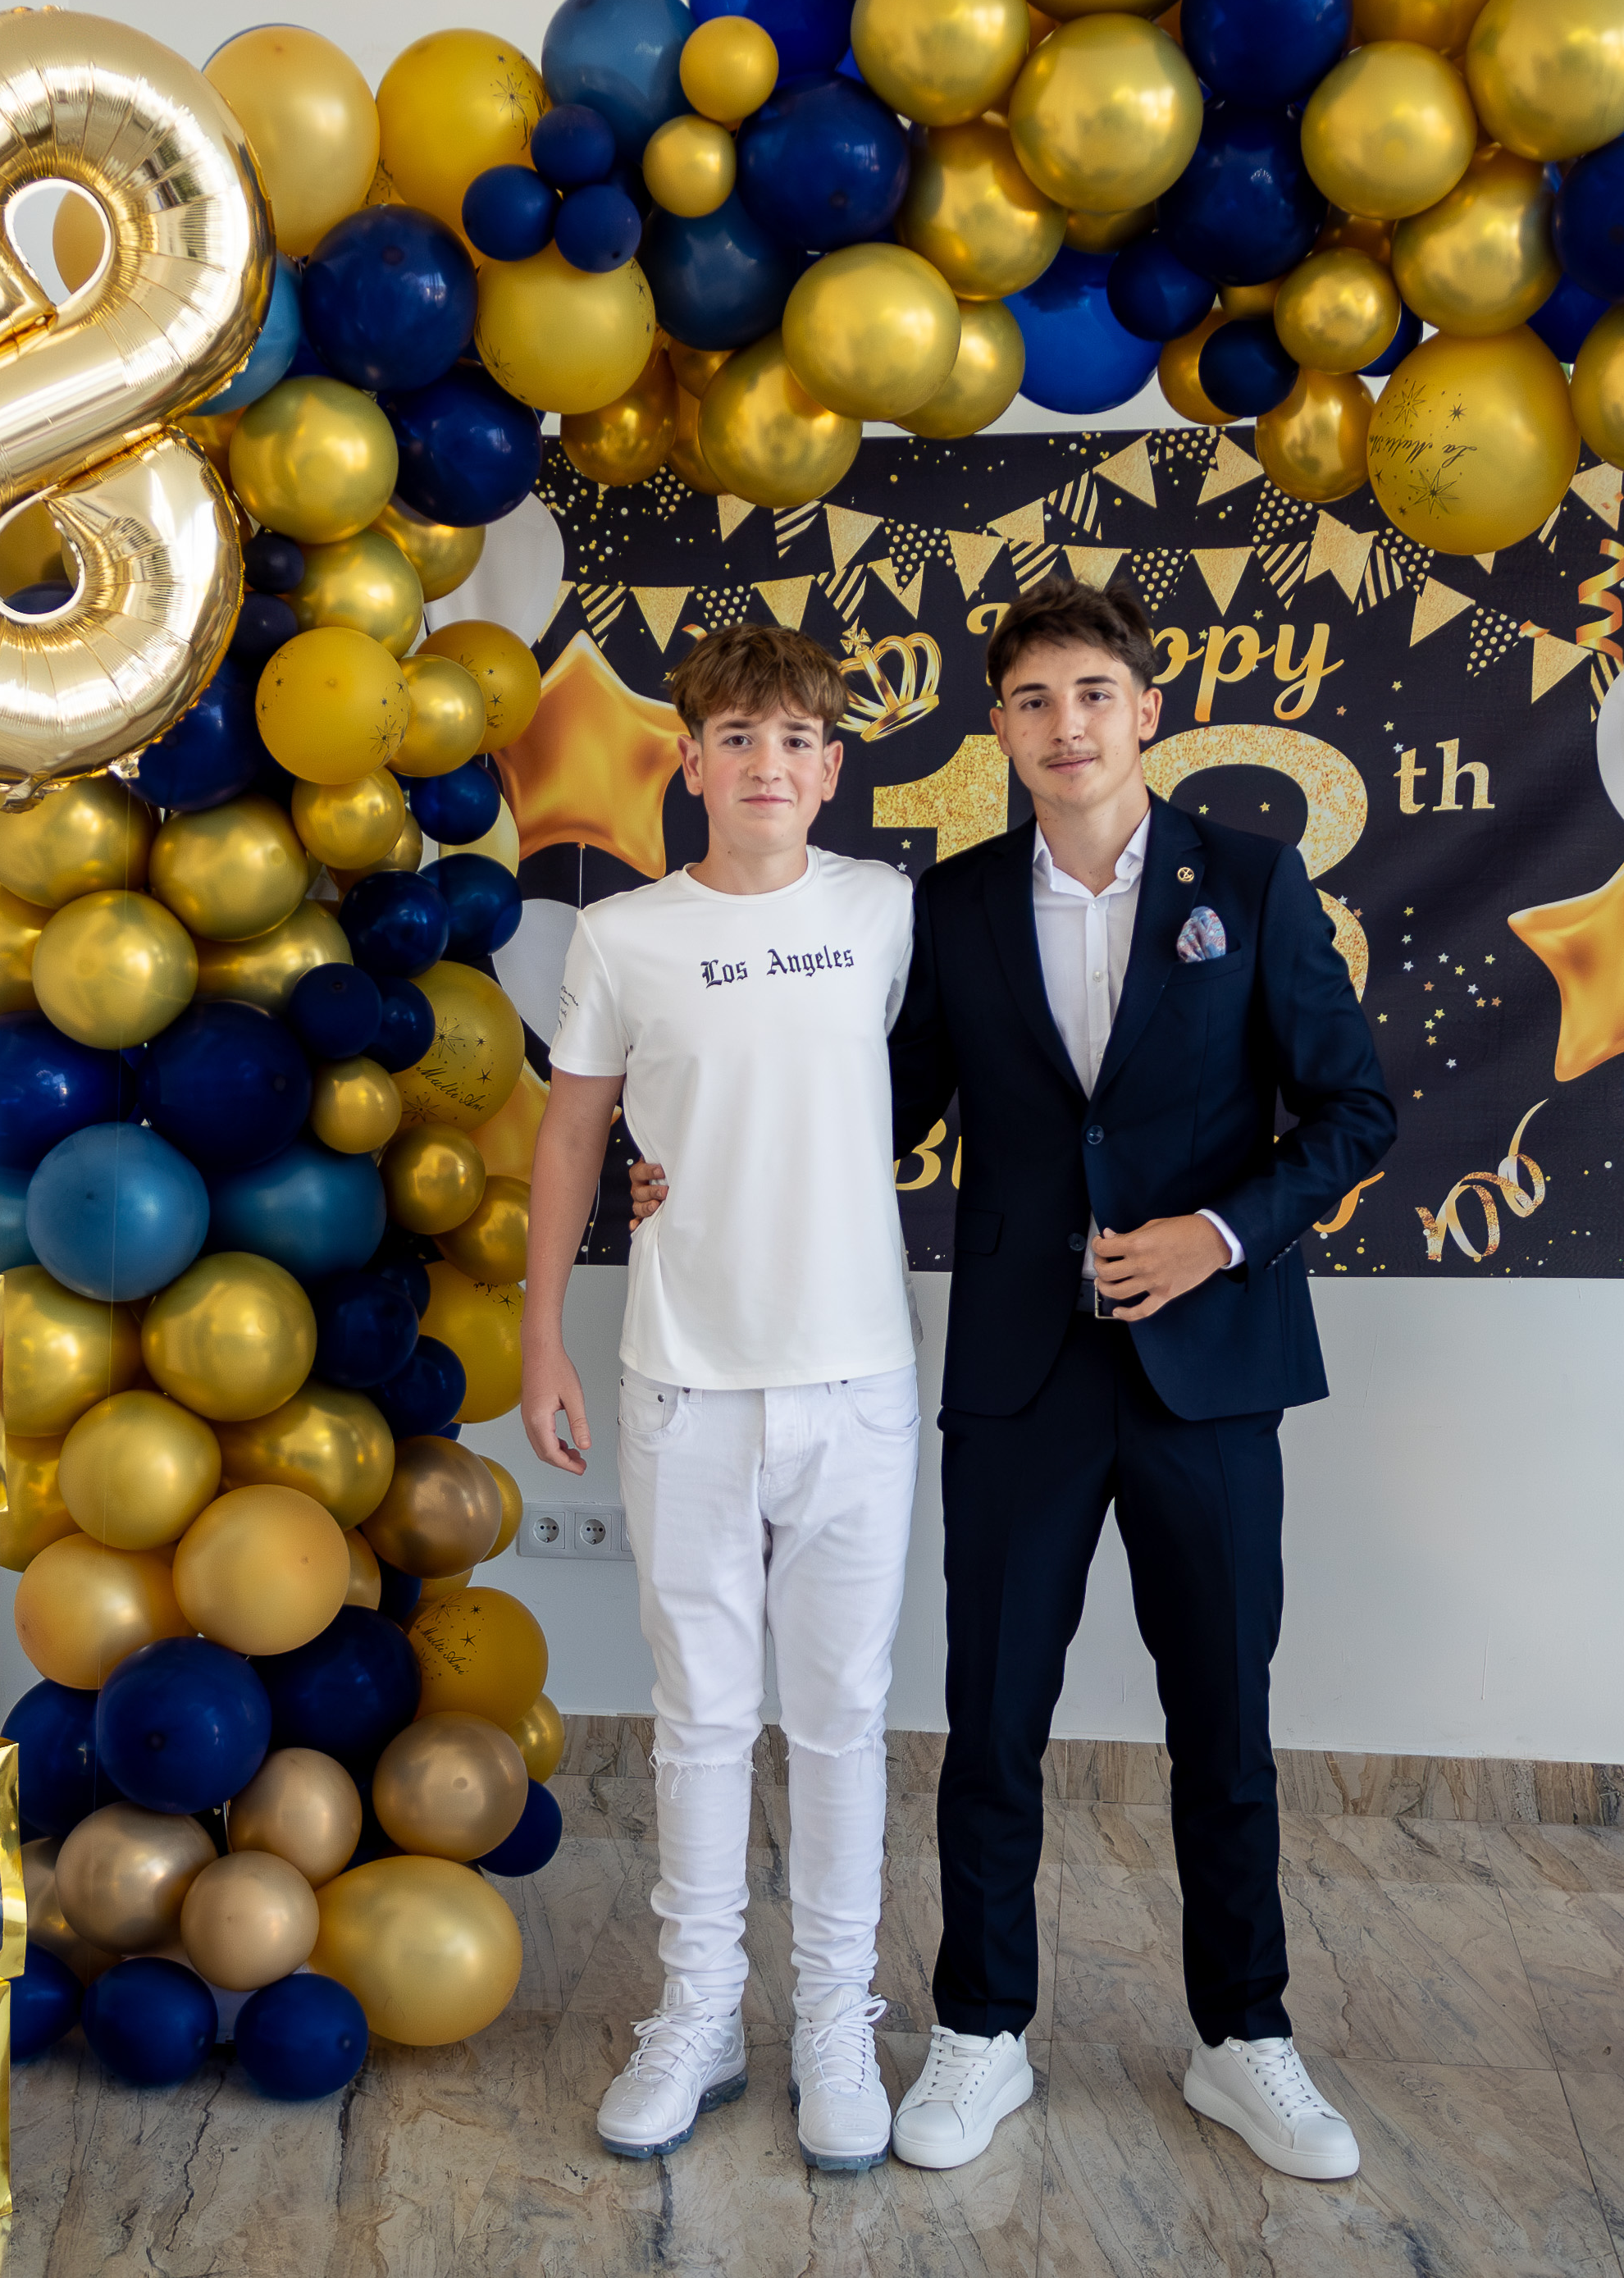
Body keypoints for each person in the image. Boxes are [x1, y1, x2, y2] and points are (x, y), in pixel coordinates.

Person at [632, 575, 1399, 2181]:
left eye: (1093, 695)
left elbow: (1353, 1114)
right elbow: (865, 1102)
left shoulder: (1250, 880)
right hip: (1016, 1371)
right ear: (998, 727)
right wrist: (682, 1161)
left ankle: (1242, 2037)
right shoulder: (955, 903)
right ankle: (980, 2031)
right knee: (989, 1723)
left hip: (1210, 1368)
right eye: (1034, 701)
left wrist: (1212, 1234)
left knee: (1224, 1722)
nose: (1066, 726)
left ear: (1146, 710)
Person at [515, 625, 922, 2173]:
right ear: (688, 761)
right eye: (738, 737)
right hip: (683, 1382)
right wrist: (544, 1339)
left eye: (795, 739)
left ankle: (831, 2020)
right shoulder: (623, 936)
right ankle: (696, 2015)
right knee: (698, 1715)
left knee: (839, 1718)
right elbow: (573, 1138)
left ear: (833, 767)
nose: (767, 764)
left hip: (854, 1382)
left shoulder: (883, 911)